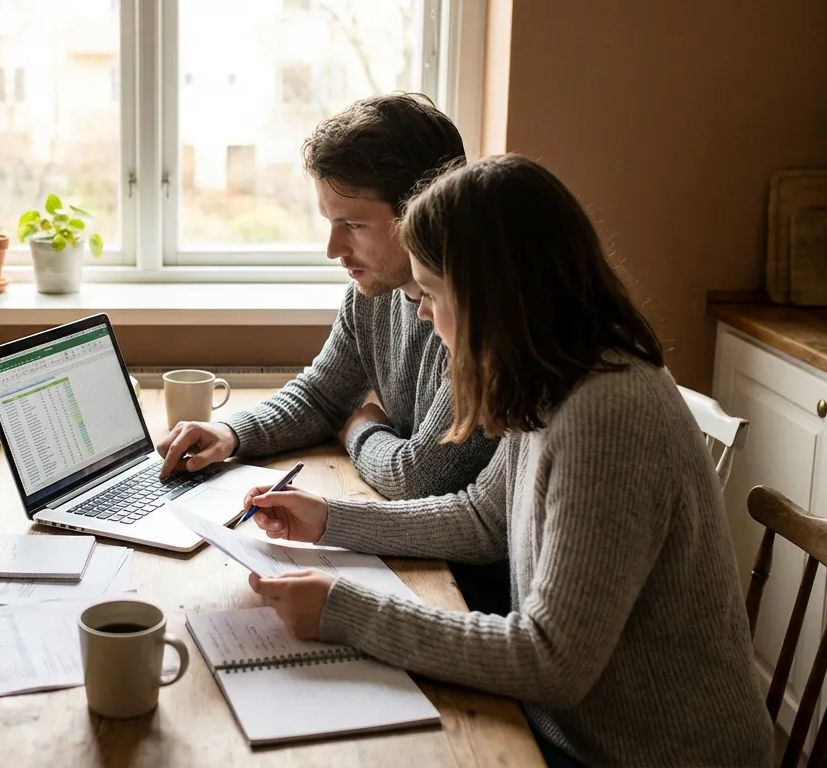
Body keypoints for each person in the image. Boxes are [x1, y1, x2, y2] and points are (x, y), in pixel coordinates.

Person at [238, 155, 773, 766]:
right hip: (571, 729)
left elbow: (551, 661)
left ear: (492, 296)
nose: (420, 312)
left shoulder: (608, 411)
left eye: (432, 293)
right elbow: (482, 517)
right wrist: (329, 519)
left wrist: (346, 610)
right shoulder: (554, 377)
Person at [154, 93, 506, 611]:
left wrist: (358, 428)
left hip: (468, 587)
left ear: (425, 211)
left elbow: (418, 478)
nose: (333, 249)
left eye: (354, 225)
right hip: (414, 556)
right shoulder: (375, 294)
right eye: (329, 221)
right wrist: (232, 433)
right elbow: (322, 395)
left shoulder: (478, 318)